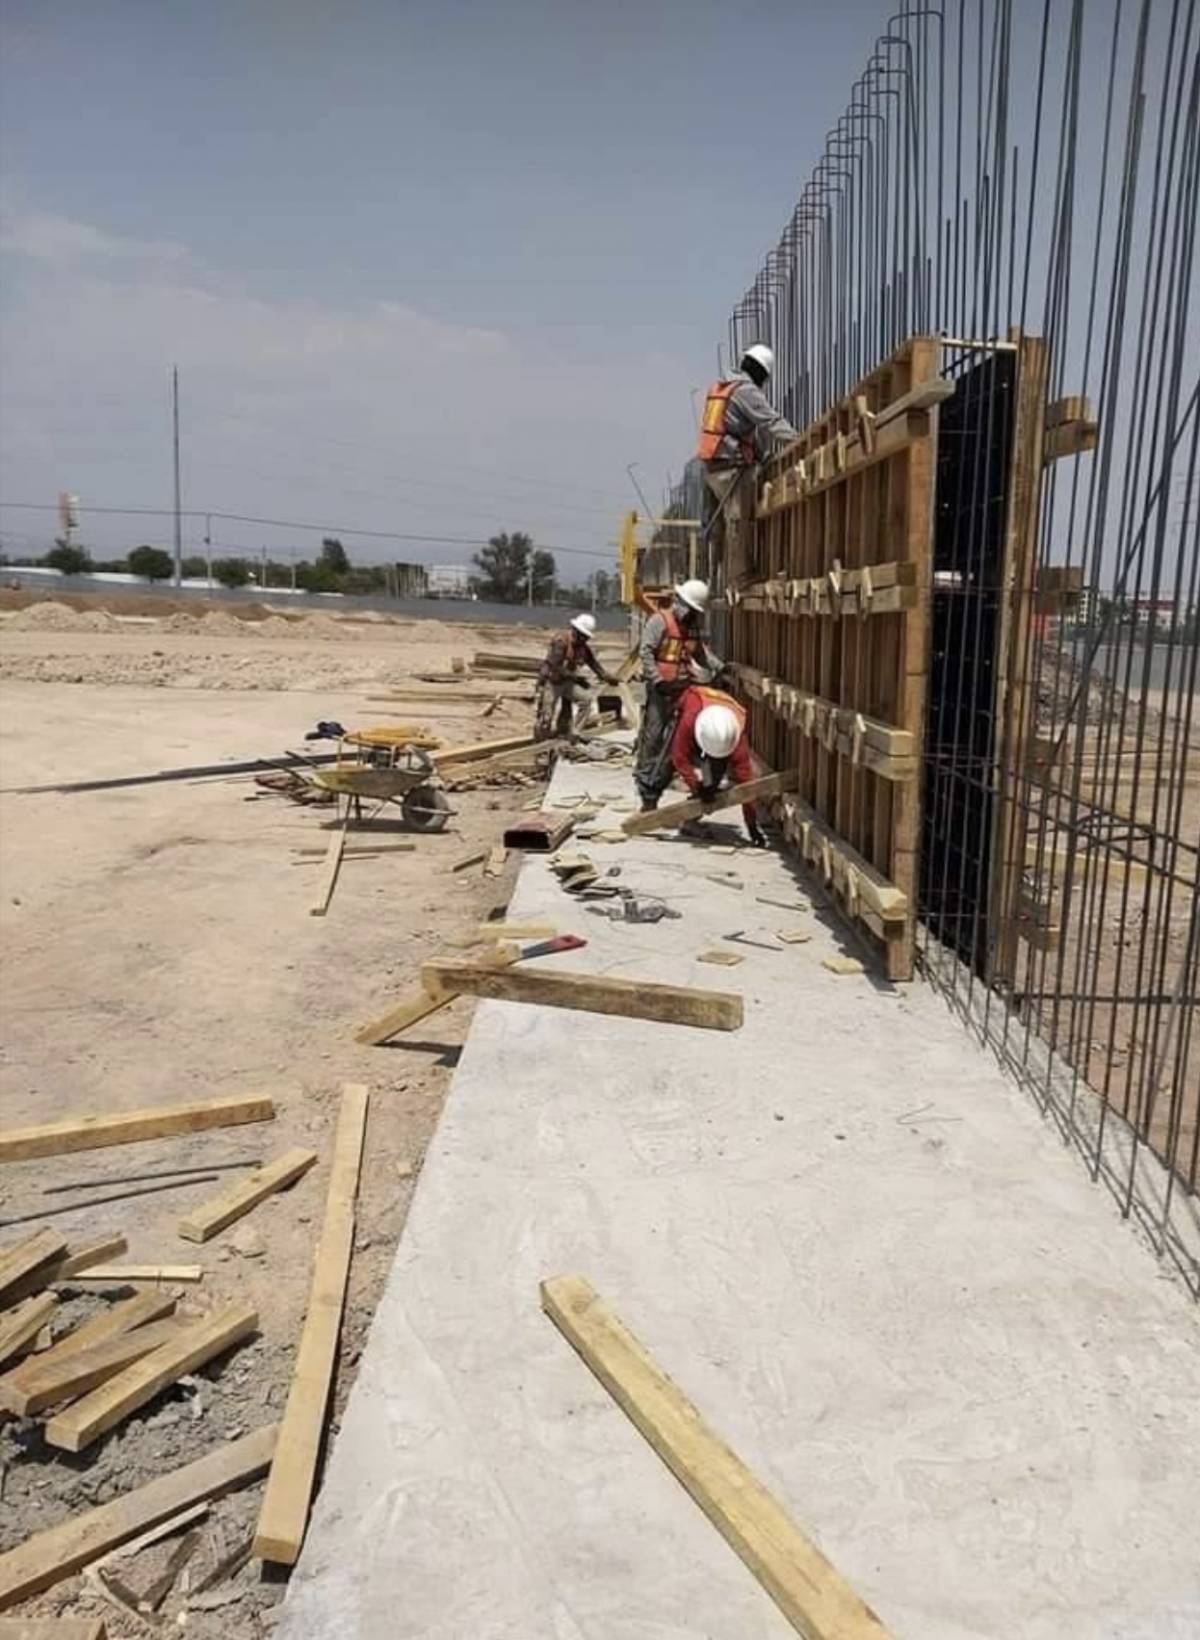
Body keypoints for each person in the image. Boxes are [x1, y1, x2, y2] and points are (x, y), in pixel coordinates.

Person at [696, 343, 798, 549]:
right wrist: (801, 441)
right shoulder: (746, 391)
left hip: (711, 468)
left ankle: (721, 573)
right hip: (732, 470)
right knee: (741, 525)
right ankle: (740, 576)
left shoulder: (720, 388)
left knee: (720, 532)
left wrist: (762, 454)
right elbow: (772, 422)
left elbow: (737, 430)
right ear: (761, 373)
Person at [634, 578, 722, 809]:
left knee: (679, 739)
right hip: (661, 690)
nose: (693, 614)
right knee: (653, 736)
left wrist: (719, 667)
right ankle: (645, 781)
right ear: (681, 603)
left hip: (682, 689)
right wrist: (657, 680)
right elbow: (646, 653)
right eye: (691, 609)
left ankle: (660, 777)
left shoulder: (691, 627)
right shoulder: (659, 621)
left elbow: (700, 653)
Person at [667, 683, 767, 847]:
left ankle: (691, 818)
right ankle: (652, 801)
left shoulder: (736, 736)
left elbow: (746, 786)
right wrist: (695, 785)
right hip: (693, 706)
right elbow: (679, 757)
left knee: (711, 783)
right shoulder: (689, 719)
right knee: (675, 764)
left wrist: (752, 826)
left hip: (714, 724)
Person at [536, 612, 616, 738]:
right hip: (551, 681)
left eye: (586, 637)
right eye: (583, 636)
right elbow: (556, 666)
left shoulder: (583, 648)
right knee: (546, 716)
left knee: (585, 701)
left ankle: (574, 733)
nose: (584, 640)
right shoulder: (561, 641)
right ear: (575, 631)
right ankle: (541, 747)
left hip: (567, 682)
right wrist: (576, 679)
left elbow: (594, 664)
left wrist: (607, 677)